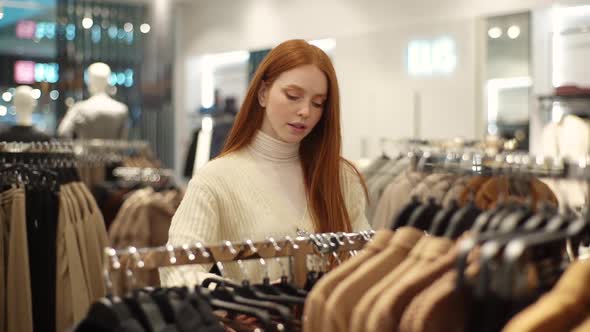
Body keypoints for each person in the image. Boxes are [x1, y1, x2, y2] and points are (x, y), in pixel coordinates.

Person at [160, 39, 372, 286]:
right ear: (262, 93)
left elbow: (365, 259)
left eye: (318, 103)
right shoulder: (217, 179)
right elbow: (177, 270)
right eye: (293, 96)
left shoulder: (340, 175)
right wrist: (236, 301)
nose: (305, 111)